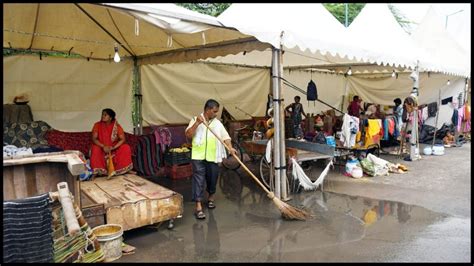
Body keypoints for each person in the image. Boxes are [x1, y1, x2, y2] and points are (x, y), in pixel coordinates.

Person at [185, 99, 237, 220]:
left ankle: (210, 198)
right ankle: (198, 206)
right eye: (214, 111)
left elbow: (225, 137)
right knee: (198, 179)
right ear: (207, 110)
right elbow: (188, 135)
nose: (216, 114)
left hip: (213, 156)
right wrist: (197, 123)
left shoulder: (217, 123)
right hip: (198, 156)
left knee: (212, 178)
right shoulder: (194, 119)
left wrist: (230, 148)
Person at [90, 108, 132, 177]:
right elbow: (94, 139)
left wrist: (113, 147)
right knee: (95, 148)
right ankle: (97, 171)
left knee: (126, 147)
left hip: (113, 148)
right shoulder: (97, 125)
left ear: (110, 117)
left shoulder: (116, 126)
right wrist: (103, 146)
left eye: (105, 115)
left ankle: (124, 170)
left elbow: (122, 139)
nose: (102, 116)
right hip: (101, 147)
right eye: (102, 114)